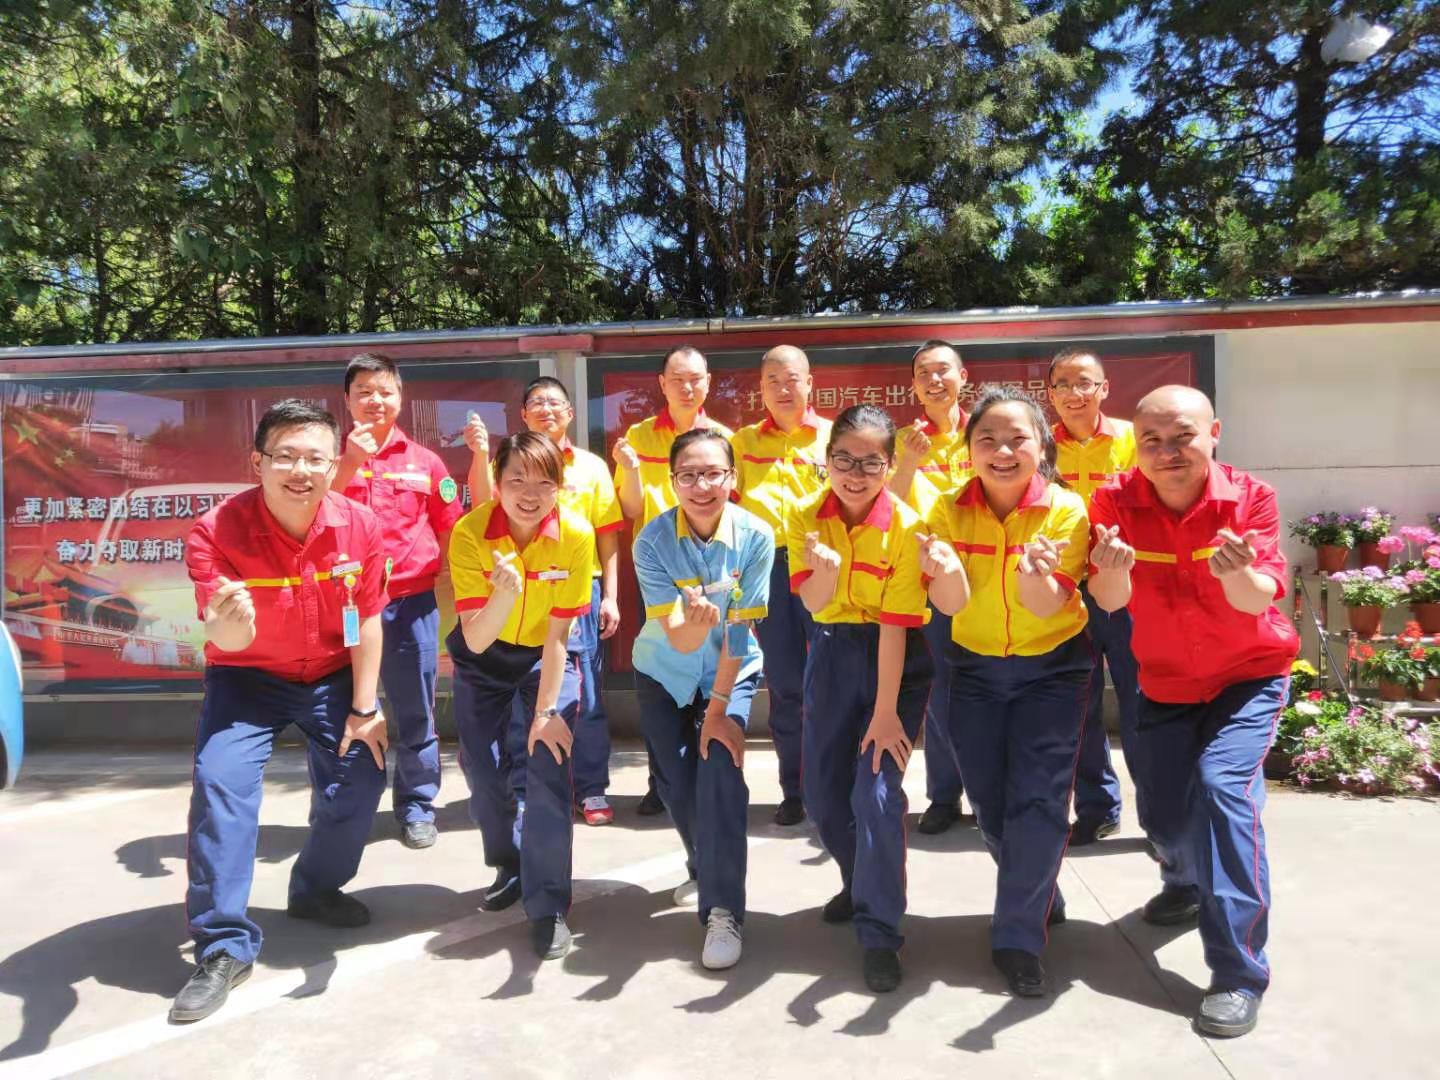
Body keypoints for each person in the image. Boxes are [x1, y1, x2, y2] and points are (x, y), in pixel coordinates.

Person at [1088, 385, 1298, 1038]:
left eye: (1182, 437)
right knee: (1164, 816)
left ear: (1214, 433)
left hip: (1248, 676)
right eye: (1151, 441)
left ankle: (1238, 974)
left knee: (1222, 790)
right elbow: (1110, 600)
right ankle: (1181, 882)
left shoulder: (1250, 498)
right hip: (1165, 681)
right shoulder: (1114, 500)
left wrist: (1236, 572)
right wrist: (1110, 568)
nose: (1167, 452)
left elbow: (1257, 597)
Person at [171, 400, 390, 1023]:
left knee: (362, 773)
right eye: (285, 457)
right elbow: (226, 637)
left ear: (335, 464)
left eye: (316, 458)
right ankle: (223, 945)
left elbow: (368, 620)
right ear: (257, 462)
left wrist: (365, 708)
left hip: (332, 674)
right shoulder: (217, 530)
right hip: (246, 678)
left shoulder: (360, 526)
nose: (301, 471)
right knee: (221, 784)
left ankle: (316, 887)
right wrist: (229, 620)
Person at [922, 386, 1093, 999]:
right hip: (973, 670)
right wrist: (945, 571)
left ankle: (1017, 939)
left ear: (1041, 446)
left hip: (1053, 672)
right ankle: (1038, 888)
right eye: (987, 439)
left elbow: (1047, 605)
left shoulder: (1066, 511)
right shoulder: (946, 510)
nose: (1002, 451)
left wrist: (1034, 576)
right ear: (967, 449)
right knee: (989, 804)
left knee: (1039, 802)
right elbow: (949, 606)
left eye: (1017, 438)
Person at [787, 404, 933, 994]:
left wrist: (886, 712)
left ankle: (880, 933)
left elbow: (896, 626)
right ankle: (858, 881)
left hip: (895, 659)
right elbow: (814, 604)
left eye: (871, 463)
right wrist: (823, 572)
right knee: (823, 795)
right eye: (844, 460)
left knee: (874, 793)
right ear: (826, 461)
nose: (855, 473)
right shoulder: (803, 516)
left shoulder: (908, 525)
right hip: (831, 653)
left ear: (890, 465)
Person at [446, 432, 595, 959]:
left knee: (547, 762)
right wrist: (504, 596)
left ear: (560, 487)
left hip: (543, 657)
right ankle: (510, 863)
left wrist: (546, 711)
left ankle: (549, 904)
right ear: (497, 482)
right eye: (517, 480)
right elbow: (475, 638)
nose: (530, 494)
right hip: (483, 654)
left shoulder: (576, 535)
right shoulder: (470, 532)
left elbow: (558, 638)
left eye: (544, 482)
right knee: (484, 772)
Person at [631, 429, 773, 968]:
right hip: (663, 671)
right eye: (688, 475)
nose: (702, 486)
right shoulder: (651, 542)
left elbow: (738, 631)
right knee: (676, 783)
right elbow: (678, 637)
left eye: (714, 473)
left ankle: (722, 910)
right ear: (672, 482)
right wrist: (692, 623)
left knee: (719, 774)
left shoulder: (756, 536)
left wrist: (718, 711)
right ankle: (704, 865)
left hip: (730, 671)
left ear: (732, 477)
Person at [467, 377, 624, 826]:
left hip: (580, 587)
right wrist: (479, 454)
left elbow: (607, 535)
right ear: (523, 414)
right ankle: (525, 788)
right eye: (537, 402)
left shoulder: (591, 467)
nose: (547, 409)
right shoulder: (504, 461)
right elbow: (480, 508)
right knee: (524, 694)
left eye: (555, 402)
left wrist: (611, 596)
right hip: (520, 588)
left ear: (570, 413)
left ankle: (590, 788)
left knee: (585, 696)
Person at [332, 352, 463, 849]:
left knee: (415, 711)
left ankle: (417, 806)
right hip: (344, 608)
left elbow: (451, 529)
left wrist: (450, 584)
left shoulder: (426, 463)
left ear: (401, 398)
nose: (375, 400)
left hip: (410, 604)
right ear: (347, 400)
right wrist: (348, 462)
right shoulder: (328, 459)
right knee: (341, 710)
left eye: (385, 391)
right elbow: (312, 511)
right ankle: (344, 808)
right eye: (364, 391)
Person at [614, 344, 733, 817]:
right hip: (660, 577)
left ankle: (705, 773)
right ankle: (661, 780)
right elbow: (630, 507)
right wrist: (630, 470)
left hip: (712, 573)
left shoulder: (724, 438)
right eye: (677, 379)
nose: (687, 387)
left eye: (695, 379)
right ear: (662, 384)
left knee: (708, 673)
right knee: (661, 676)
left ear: (708, 382)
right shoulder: (639, 436)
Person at [729, 344, 829, 826]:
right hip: (766, 568)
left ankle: (834, 785)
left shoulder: (834, 437)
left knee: (833, 682)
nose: (784, 389)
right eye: (774, 381)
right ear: (761, 389)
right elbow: (726, 512)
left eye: (792, 380)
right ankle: (795, 789)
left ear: (810, 383)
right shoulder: (742, 442)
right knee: (786, 685)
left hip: (824, 566)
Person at [1046, 347, 1135, 845]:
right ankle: (1098, 807)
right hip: (1066, 591)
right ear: (1050, 393)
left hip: (1125, 588)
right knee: (1079, 704)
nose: (1073, 394)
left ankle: (1163, 814)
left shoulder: (1133, 438)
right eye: (1063, 384)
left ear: (1104, 388)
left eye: (1084, 383)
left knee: (1141, 701)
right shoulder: (1041, 446)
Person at [888, 340, 973, 836]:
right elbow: (887, 508)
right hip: (930, 578)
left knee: (994, 686)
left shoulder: (987, 432)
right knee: (940, 691)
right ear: (914, 386)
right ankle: (944, 795)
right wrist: (908, 464)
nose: (934, 380)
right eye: (924, 373)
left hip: (990, 573)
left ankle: (990, 789)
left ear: (963, 376)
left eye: (943, 370)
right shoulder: (903, 439)